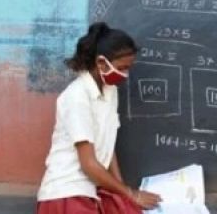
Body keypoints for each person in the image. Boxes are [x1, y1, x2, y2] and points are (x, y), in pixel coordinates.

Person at [37, 22, 162, 214]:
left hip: (95, 189)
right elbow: (88, 164)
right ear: (101, 63)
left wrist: (123, 194)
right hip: (66, 193)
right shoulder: (76, 96)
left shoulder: (110, 91)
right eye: (123, 68)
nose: (126, 75)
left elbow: (107, 143)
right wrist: (130, 193)